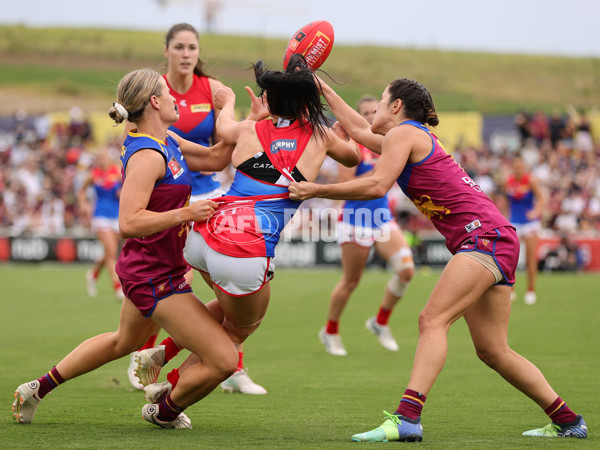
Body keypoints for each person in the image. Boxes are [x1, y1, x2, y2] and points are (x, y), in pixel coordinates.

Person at [288, 76, 587, 441]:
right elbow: (358, 130)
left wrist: (315, 189)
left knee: (432, 319)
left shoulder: (404, 135)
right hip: (497, 238)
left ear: (396, 106)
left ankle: (407, 419)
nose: (375, 109)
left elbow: (376, 185)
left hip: (483, 238)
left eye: (381, 101)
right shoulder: (408, 136)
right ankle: (569, 421)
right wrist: (323, 88)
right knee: (493, 351)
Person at [12, 68, 241, 429]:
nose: (174, 99)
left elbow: (215, 159)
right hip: (153, 276)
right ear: (154, 102)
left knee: (123, 342)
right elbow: (128, 222)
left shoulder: (167, 139)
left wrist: (233, 111)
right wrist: (187, 212)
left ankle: (35, 389)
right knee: (225, 359)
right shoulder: (148, 154)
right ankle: (163, 407)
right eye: (167, 93)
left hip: (154, 267)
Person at [134, 55, 360, 411]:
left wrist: (228, 104)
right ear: (306, 102)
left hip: (202, 237)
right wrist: (332, 128)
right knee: (238, 330)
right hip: (242, 250)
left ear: (269, 100)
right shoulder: (319, 135)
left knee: (227, 311)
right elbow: (352, 158)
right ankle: (166, 401)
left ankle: (164, 352)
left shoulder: (248, 129)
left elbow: (223, 126)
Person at [127, 23, 266, 395]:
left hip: (206, 195)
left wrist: (248, 118)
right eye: (180, 47)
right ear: (167, 51)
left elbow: (221, 152)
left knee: (231, 282)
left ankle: (222, 363)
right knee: (180, 284)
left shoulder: (213, 88)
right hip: (171, 194)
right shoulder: (151, 89)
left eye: (192, 47)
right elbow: (140, 142)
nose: (187, 53)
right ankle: (154, 354)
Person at [319, 95, 414, 356]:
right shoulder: (351, 145)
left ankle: (379, 322)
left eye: (375, 111)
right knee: (351, 281)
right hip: (356, 219)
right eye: (365, 113)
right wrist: (384, 170)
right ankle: (330, 330)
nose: (371, 117)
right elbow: (345, 187)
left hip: (382, 217)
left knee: (406, 271)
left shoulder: (388, 142)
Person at [78, 147, 124, 301]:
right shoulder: (93, 175)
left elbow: (127, 187)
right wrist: (83, 205)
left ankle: (93, 274)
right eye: (100, 158)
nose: (102, 160)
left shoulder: (117, 173)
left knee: (108, 252)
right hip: (100, 215)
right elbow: (82, 191)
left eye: (104, 157)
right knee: (111, 251)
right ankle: (117, 287)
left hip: (116, 215)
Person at [504, 153, 545, 305]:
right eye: (515, 166)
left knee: (530, 258)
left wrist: (536, 211)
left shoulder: (531, 181)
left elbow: (541, 198)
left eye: (520, 166)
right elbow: (507, 202)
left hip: (530, 223)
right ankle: (511, 289)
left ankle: (530, 289)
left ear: (524, 167)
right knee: (510, 257)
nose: (517, 168)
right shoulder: (508, 181)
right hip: (514, 222)